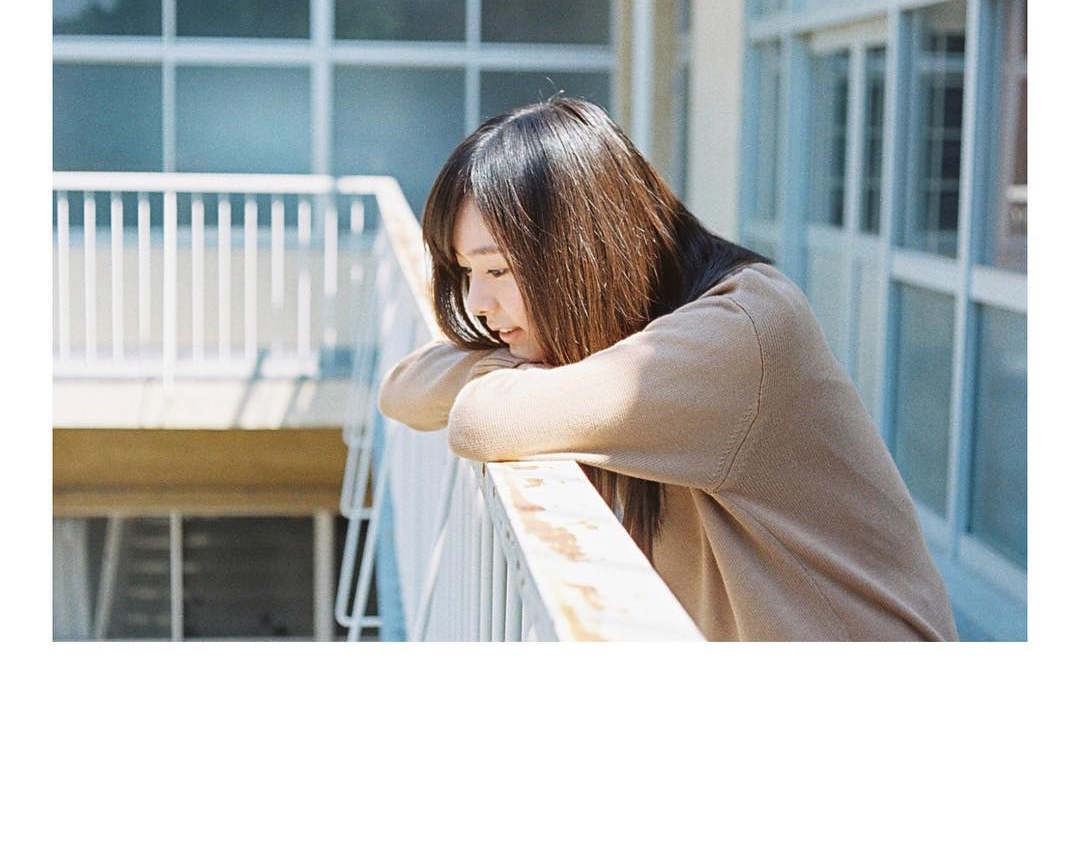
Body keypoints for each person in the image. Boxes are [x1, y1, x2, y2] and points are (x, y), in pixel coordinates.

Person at [378, 95, 958, 642]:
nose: (477, 303)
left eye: (498, 271)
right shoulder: (622, 331)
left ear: (580, 252)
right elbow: (401, 390)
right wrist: (522, 361)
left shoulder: (738, 331)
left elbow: (483, 420)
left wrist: (519, 373)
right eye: (467, 272)